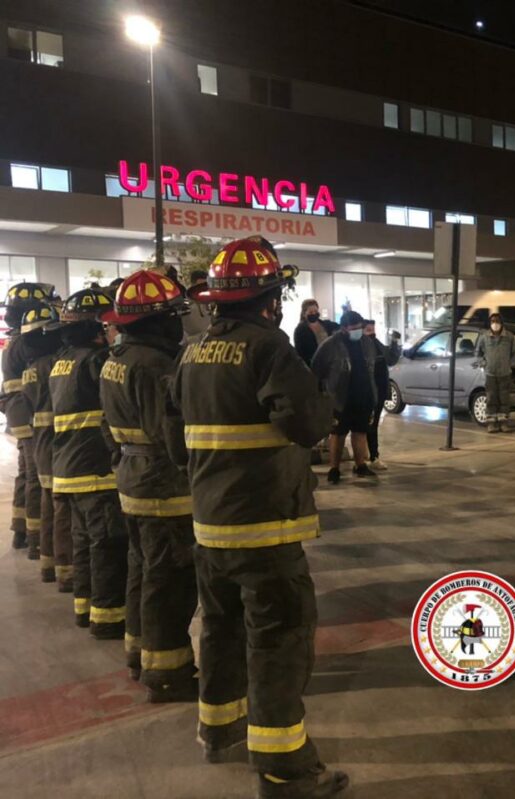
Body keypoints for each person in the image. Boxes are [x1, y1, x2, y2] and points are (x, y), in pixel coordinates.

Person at [172, 237, 346, 797]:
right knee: (279, 641)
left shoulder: (191, 352)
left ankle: (220, 730)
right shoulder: (269, 349)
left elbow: (175, 444)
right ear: (270, 300)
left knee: (220, 629)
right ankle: (283, 769)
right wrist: (324, 397)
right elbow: (307, 425)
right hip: (264, 529)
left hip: (209, 527)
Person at [99, 270, 198, 700]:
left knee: (142, 572)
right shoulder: (157, 366)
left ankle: (139, 655)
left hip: (132, 480)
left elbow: (107, 429)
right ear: (157, 320)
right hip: (164, 490)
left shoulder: (116, 359)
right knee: (170, 581)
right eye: (174, 316)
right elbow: (173, 439)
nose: (179, 323)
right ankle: (167, 674)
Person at [50, 287, 128, 639]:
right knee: (107, 543)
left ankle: (85, 608)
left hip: (68, 467)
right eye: (107, 325)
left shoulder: (62, 361)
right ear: (96, 328)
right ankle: (108, 619)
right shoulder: (97, 361)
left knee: (84, 541)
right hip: (95, 468)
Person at [1, 283, 55, 552]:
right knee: (36, 477)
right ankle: (36, 539)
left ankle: (21, 530)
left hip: (18, 415)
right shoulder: (28, 343)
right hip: (30, 417)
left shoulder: (14, 342)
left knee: (26, 473)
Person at [19, 302, 64, 583]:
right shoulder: (54, 365)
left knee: (48, 501)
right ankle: (63, 569)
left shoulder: (31, 369)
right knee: (59, 506)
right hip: (56, 441)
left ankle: (48, 562)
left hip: (40, 441)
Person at [311, 310, 377, 483]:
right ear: (344, 328)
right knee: (338, 434)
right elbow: (316, 368)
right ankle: (334, 468)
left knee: (360, 431)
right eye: (353, 329)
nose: (357, 331)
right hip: (340, 398)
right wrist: (323, 392)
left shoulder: (366, 342)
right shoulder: (330, 344)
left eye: (359, 328)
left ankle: (360, 465)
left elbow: (373, 367)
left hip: (363, 395)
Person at [361, 319, 400, 469]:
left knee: (373, 424)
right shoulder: (362, 347)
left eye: (373, 330)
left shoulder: (376, 344)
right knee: (366, 425)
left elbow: (390, 359)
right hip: (367, 391)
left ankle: (372, 456)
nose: (372, 333)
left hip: (379, 391)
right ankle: (368, 456)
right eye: (368, 330)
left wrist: (394, 342)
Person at [474, 312, 515, 433]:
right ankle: (491, 424)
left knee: (504, 399)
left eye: (497, 321)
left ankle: (503, 423)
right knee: (491, 399)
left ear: (502, 323)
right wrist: (484, 363)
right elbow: (478, 353)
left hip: (505, 373)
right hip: (490, 374)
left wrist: (511, 364)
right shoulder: (484, 336)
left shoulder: (509, 337)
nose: (495, 323)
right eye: (492, 321)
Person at [293, 299, 338, 367]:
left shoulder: (326, 324)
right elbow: (300, 353)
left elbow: (341, 326)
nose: (314, 314)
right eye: (311, 312)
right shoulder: (300, 330)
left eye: (316, 311)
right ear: (304, 314)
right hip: (312, 365)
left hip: (329, 363)